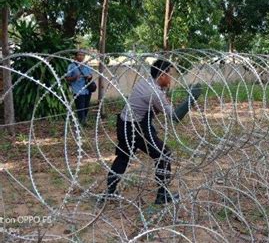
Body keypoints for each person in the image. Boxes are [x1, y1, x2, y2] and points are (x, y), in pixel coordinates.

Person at [103, 59, 201, 205]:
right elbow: (174, 117)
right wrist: (190, 99)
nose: (172, 77)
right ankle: (162, 196)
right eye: (170, 74)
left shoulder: (147, 82)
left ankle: (110, 192)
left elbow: (152, 108)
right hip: (137, 129)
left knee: (123, 157)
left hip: (124, 124)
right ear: (162, 75)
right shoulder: (154, 92)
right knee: (164, 155)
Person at [66, 51, 94, 126]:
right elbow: (67, 78)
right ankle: (81, 122)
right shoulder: (71, 66)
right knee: (80, 106)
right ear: (75, 56)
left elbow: (91, 75)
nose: (81, 56)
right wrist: (75, 77)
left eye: (82, 55)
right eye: (79, 55)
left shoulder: (87, 65)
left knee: (86, 106)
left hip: (87, 89)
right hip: (77, 89)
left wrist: (89, 77)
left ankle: (84, 120)